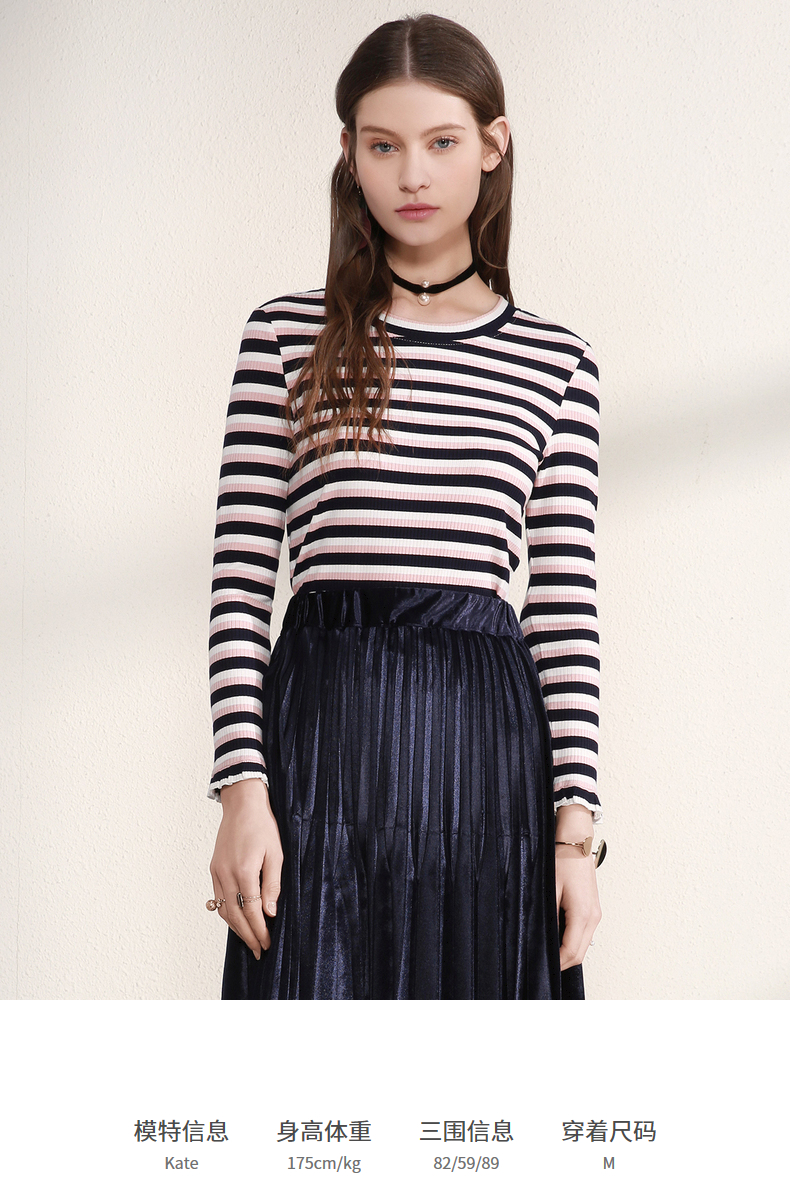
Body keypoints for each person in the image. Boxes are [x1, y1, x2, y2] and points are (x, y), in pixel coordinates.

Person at [207, 13, 602, 1000]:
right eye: (383, 146)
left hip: (485, 753)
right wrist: (241, 791)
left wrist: (576, 833)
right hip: (324, 746)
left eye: (442, 142)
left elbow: (563, 609)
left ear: (493, 145)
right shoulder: (284, 336)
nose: (412, 175)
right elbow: (240, 582)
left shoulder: (556, 363)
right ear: (349, 152)